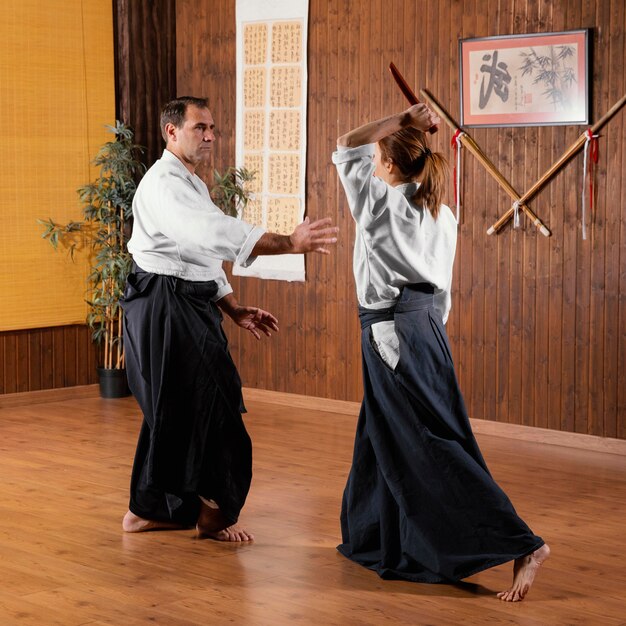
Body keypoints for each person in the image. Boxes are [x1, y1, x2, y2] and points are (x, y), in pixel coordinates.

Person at [332, 103, 549, 602]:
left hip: (392, 333)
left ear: (387, 165)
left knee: (429, 445)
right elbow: (443, 292)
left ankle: (521, 542)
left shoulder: (380, 207)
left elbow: (347, 142)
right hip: (427, 328)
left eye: (377, 161)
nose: (371, 166)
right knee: (382, 433)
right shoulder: (441, 213)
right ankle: (378, 538)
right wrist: (423, 333)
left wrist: (401, 119)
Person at [121, 96, 338, 542]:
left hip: (181, 302)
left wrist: (231, 307)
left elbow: (199, 257)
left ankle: (147, 509)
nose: (210, 137)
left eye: (212, 128)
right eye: (200, 128)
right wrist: (288, 242)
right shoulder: (165, 184)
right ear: (171, 132)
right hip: (163, 306)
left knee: (174, 408)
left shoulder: (190, 184)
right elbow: (212, 234)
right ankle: (213, 510)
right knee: (211, 403)